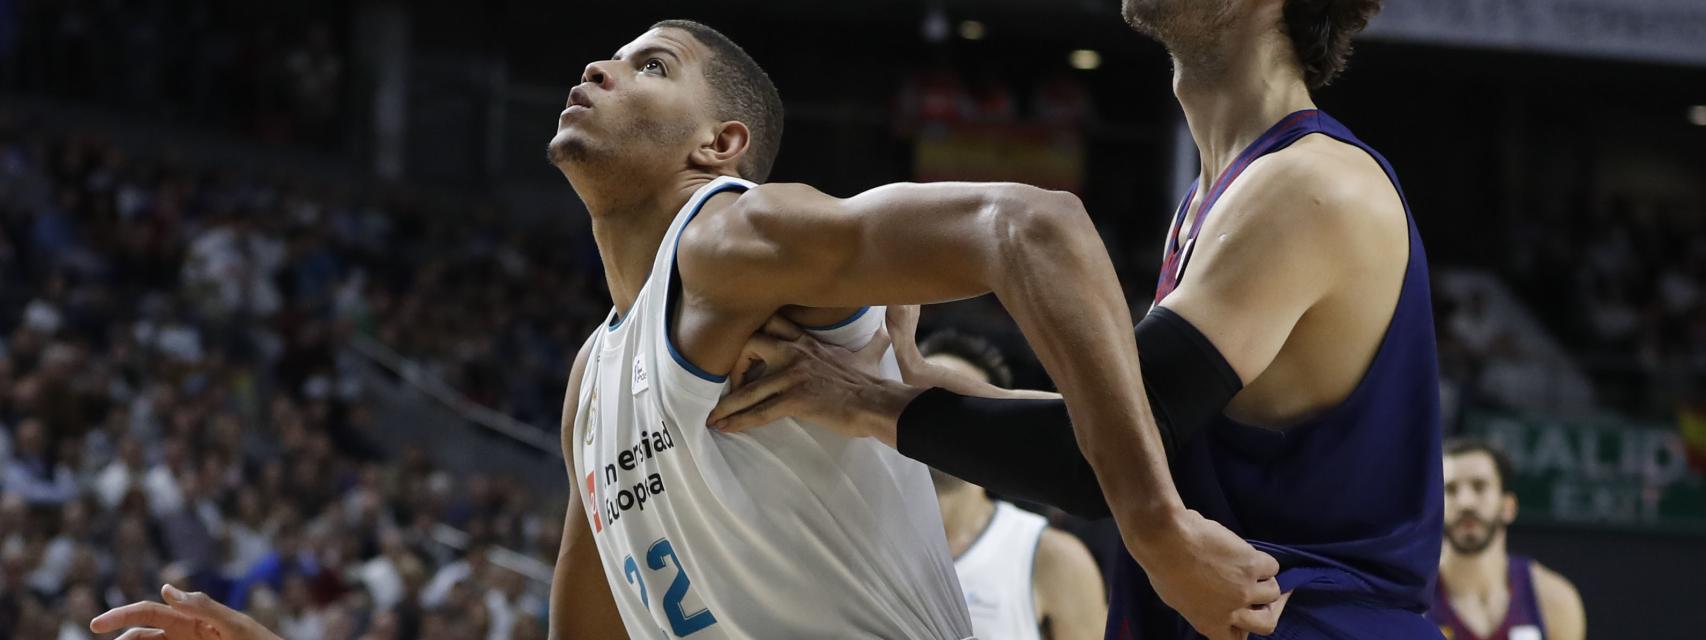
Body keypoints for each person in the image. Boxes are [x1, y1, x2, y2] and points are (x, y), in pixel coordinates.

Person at [94, 18, 1281, 640]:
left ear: (719, 144)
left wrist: (1155, 524)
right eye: (607, 53)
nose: (599, 69)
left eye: (649, 64)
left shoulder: (729, 240)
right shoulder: (589, 375)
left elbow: (1036, 226)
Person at [710, 0, 1445, 636]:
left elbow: (1104, 459)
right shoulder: (1212, 200)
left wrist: (866, 400)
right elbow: (1121, 435)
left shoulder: (1311, 186)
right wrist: (931, 384)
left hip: (1316, 619)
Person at [920, 330, 1107, 640]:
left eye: (955, 402)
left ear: (993, 430)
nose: (937, 419)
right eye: (922, 398)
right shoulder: (852, 537)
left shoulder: (1052, 558)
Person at [1430, 439, 1584, 640]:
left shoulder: (1554, 600)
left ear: (1508, 507)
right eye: (1450, 489)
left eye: (1479, 487)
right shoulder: (1409, 600)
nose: (1465, 502)